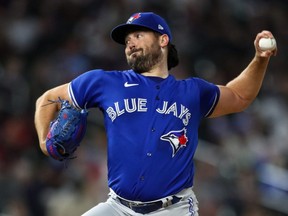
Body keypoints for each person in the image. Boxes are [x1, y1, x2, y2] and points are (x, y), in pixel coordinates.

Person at [34, 12, 277, 216]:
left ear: (163, 40)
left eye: (138, 35)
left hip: (174, 209)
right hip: (118, 207)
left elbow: (239, 97)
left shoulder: (192, 91)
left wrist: (260, 59)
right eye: (127, 39)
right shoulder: (103, 82)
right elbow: (46, 100)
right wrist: (45, 141)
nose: (130, 43)